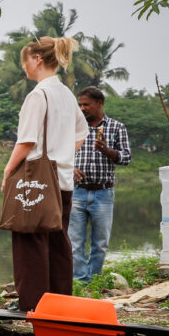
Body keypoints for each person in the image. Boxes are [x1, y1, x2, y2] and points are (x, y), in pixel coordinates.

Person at [2, 36, 88, 311]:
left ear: (36, 59)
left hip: (37, 180)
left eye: (25, 61)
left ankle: (32, 304)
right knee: (58, 240)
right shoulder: (66, 93)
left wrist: (8, 170)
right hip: (62, 181)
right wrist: (63, 153)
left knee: (30, 240)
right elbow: (82, 134)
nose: (24, 68)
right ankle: (59, 302)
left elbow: (26, 141)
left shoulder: (38, 95)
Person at [70, 85, 132, 282]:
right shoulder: (74, 127)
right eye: (80, 105)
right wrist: (69, 168)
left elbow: (126, 158)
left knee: (100, 243)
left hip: (103, 194)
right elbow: (60, 153)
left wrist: (107, 150)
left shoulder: (116, 127)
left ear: (99, 103)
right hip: (77, 191)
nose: (82, 109)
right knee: (74, 242)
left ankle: (93, 281)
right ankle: (80, 281)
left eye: (86, 105)